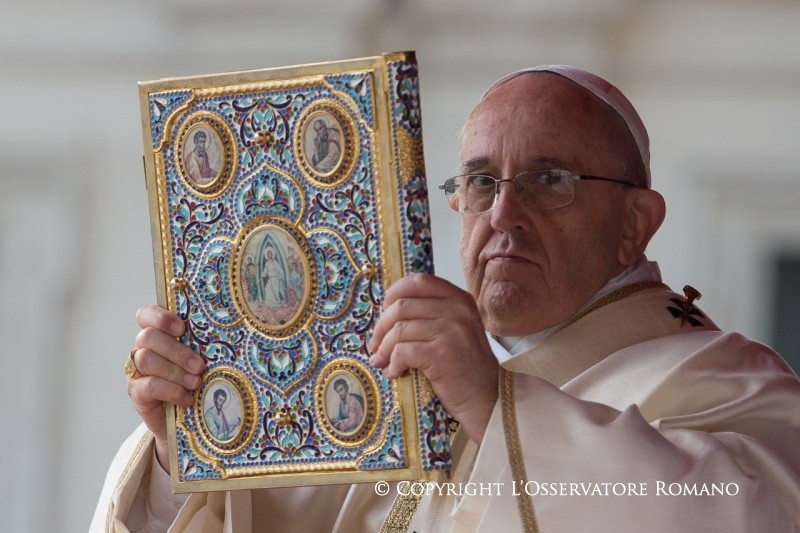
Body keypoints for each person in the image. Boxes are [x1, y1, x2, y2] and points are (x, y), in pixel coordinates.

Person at [93, 65, 800, 532]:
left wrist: (496, 406)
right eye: (482, 182)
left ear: (634, 224)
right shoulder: (377, 387)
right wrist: (184, 452)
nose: (504, 214)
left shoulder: (725, 380)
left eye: (549, 180)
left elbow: (743, 515)